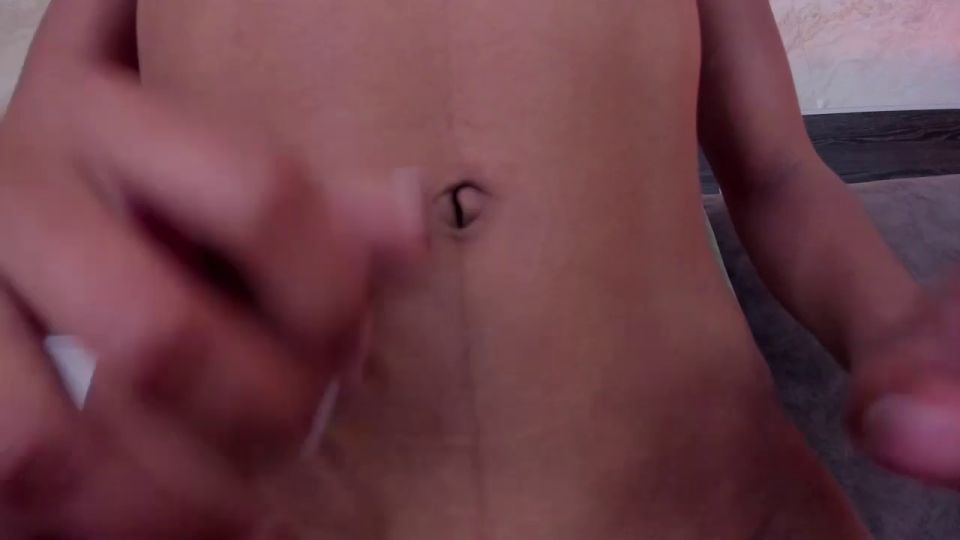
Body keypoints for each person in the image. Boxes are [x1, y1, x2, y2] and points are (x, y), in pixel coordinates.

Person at [0, 0, 957, 538]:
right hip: (264, 507)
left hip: (707, 498)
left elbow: (779, 172)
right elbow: (37, 172)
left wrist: (895, 330)